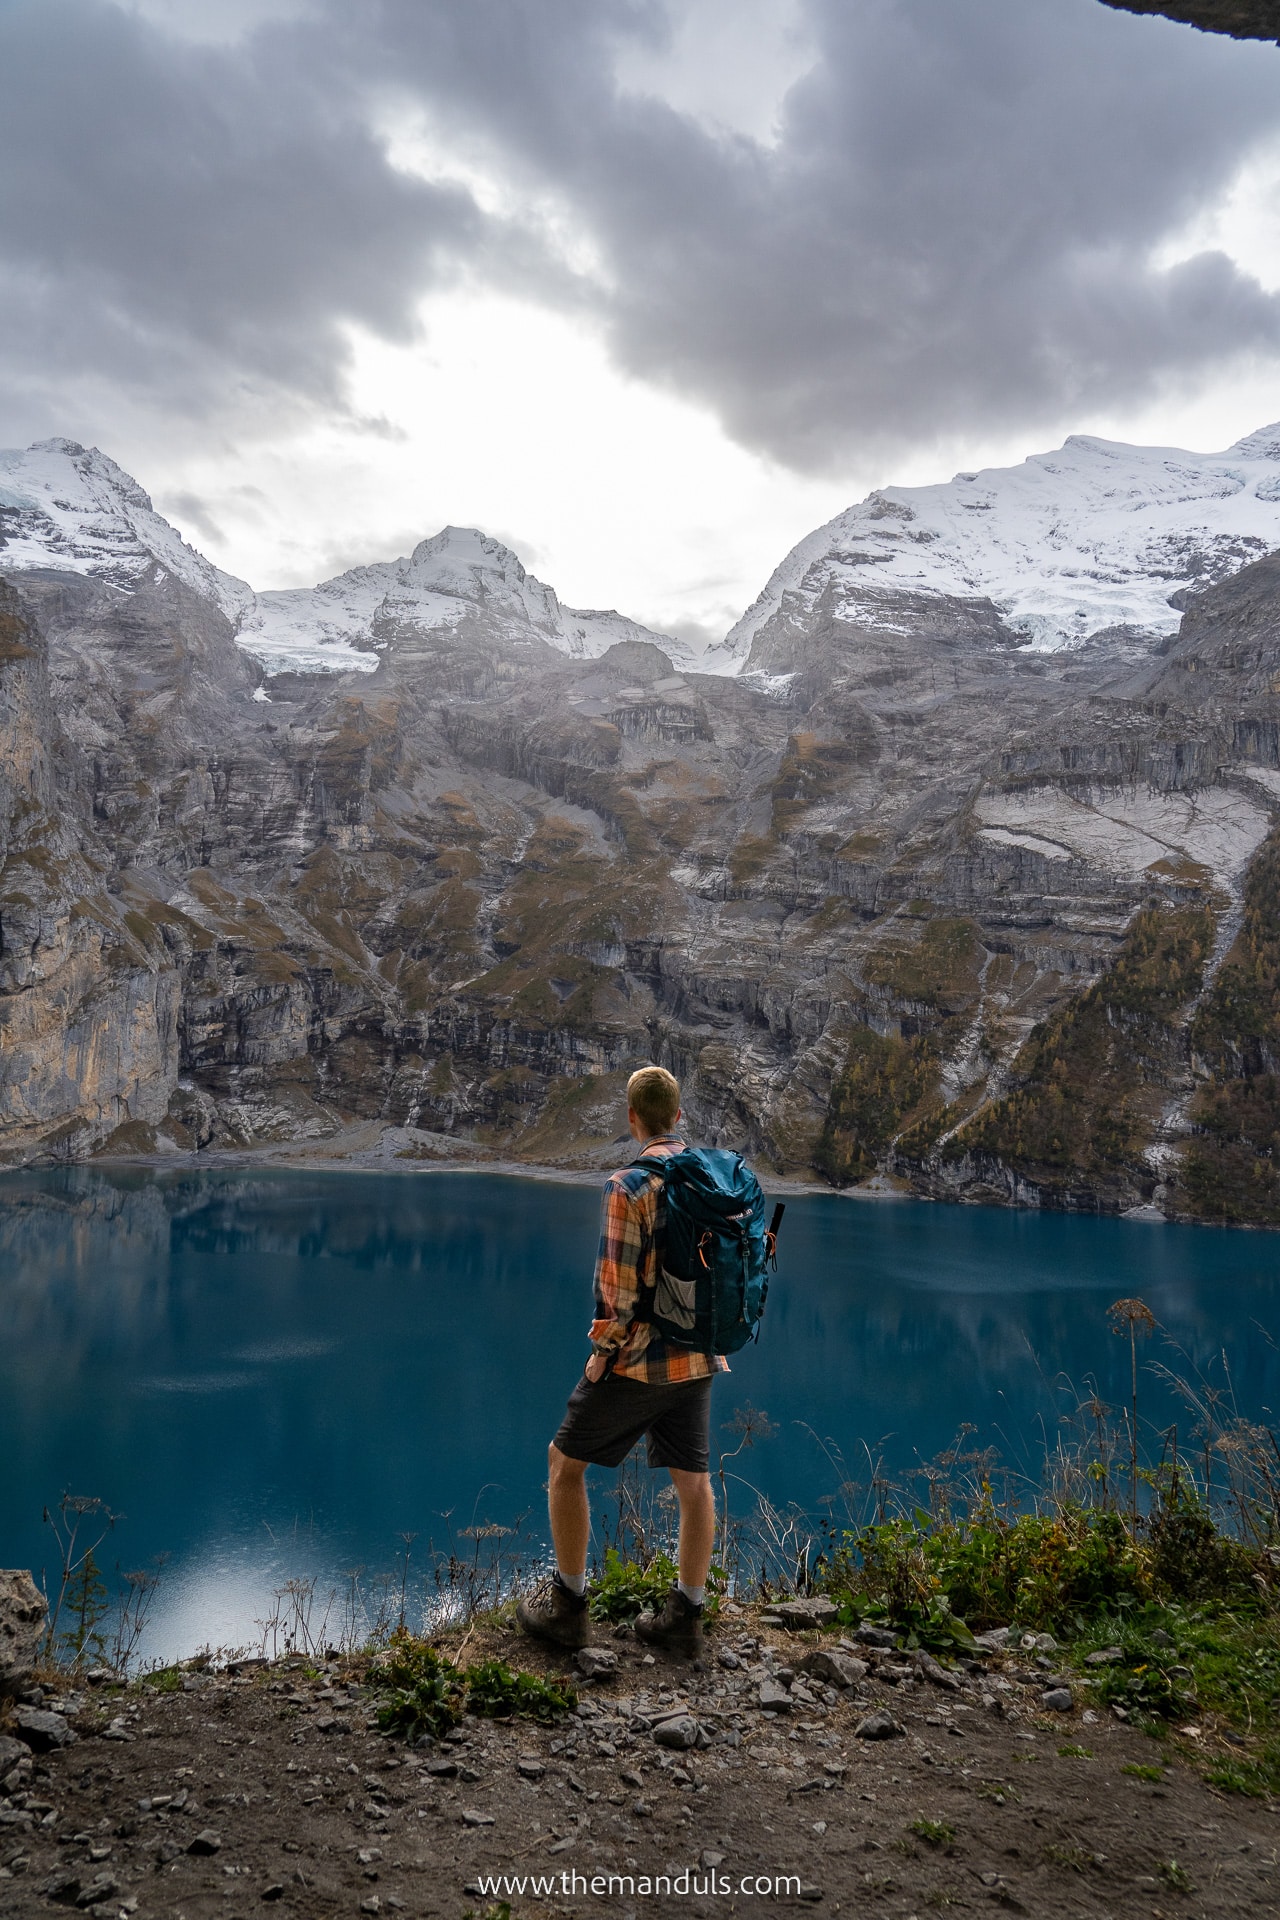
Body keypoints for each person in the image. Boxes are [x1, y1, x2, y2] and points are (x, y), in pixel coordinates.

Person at [516, 1064, 725, 1659]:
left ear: (631, 1118)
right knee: (694, 1483)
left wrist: (600, 1357)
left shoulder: (628, 1186)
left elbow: (616, 1290)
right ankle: (686, 1617)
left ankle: (568, 1609)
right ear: (678, 1116)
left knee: (563, 1465)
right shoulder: (713, 1178)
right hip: (701, 1356)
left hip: (639, 1362)